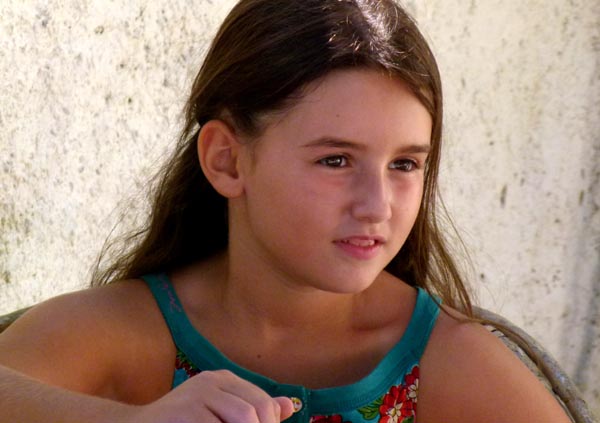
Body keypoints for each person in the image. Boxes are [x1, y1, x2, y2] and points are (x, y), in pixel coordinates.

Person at [0, 0, 571, 422]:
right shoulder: (129, 332)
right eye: (335, 160)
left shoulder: (447, 362)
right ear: (227, 160)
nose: (377, 206)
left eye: (404, 164)